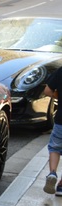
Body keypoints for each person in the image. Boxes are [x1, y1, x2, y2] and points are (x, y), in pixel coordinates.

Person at [43, 67, 62, 195]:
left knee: (55, 148)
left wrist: (58, 96)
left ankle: (52, 173)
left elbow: (47, 90)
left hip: (61, 120)